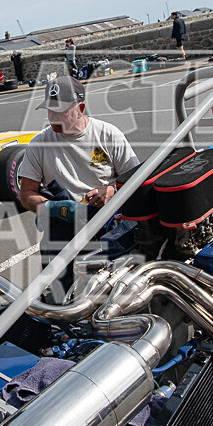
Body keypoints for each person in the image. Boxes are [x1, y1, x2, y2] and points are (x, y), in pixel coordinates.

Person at [18, 76, 139, 301]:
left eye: (60, 111)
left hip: (106, 231)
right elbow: (26, 195)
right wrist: (54, 208)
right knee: (61, 303)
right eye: (49, 110)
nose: (52, 117)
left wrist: (112, 191)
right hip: (61, 237)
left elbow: (136, 181)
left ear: (80, 108)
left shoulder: (107, 135)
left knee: (111, 299)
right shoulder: (39, 145)